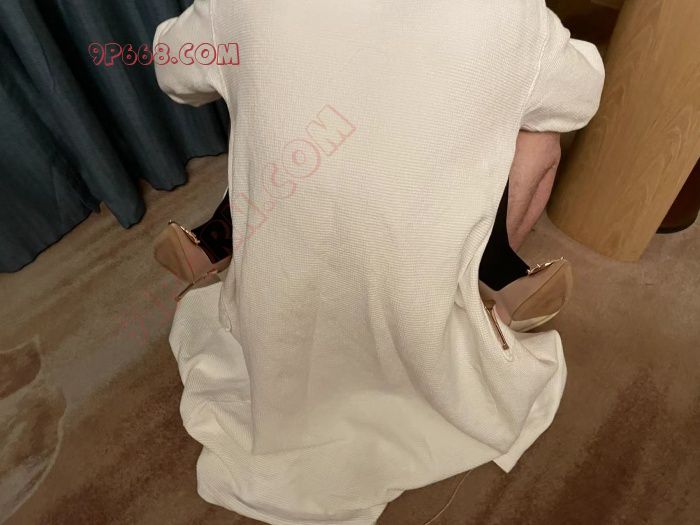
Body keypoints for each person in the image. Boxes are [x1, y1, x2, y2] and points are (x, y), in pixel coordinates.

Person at [153, 1, 604, 524]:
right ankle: (486, 266)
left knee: (302, 121)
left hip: (290, 244)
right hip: (410, 282)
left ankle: (217, 239)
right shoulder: (508, 11)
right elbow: (581, 95)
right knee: (534, 132)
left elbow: (171, 63)